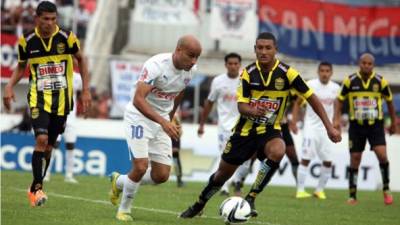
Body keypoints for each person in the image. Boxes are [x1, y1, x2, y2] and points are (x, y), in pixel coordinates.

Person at [180, 32, 341, 219]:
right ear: (255, 49)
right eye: (260, 48)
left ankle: (250, 198)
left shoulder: (288, 73)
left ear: (275, 49)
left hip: (270, 130)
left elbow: (311, 97)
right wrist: (252, 110)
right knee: (222, 175)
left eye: (268, 48)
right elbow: (241, 106)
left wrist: (329, 127)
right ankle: (200, 203)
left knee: (279, 150)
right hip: (244, 132)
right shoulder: (248, 73)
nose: (263, 51)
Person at [2, 1, 91, 207]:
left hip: (62, 102)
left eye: (53, 19)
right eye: (46, 19)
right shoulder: (27, 41)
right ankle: (36, 188)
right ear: (37, 19)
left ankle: (36, 185)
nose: (50, 23)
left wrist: (85, 90)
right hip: (38, 99)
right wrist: (9, 87)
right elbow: (21, 66)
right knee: (41, 139)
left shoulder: (66, 38)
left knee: (49, 146)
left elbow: (82, 59)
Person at [108, 35, 202, 221]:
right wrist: (163, 121)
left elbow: (180, 91)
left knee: (161, 175)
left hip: (162, 120)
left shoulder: (190, 70)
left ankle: (118, 181)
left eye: (197, 57)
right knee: (141, 166)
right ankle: (124, 209)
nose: (193, 61)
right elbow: (138, 100)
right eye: (191, 56)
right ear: (179, 50)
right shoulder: (156, 65)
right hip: (139, 117)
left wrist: (172, 117)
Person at [334, 53, 396, 205]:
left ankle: (386, 190)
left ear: (373, 65)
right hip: (356, 126)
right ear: (359, 63)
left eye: (369, 64)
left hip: (376, 125)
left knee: (382, 155)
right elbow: (339, 100)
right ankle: (352, 195)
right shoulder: (350, 81)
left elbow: (389, 102)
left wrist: (394, 122)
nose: (366, 66)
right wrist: (336, 119)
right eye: (364, 63)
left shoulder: (381, 82)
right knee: (355, 159)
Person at [198, 52, 250, 196]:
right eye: (230, 64)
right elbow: (209, 103)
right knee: (224, 157)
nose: (233, 66)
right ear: (226, 65)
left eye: (236, 64)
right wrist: (202, 124)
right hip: (224, 127)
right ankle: (225, 187)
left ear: (240, 65)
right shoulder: (218, 81)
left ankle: (238, 181)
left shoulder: (246, 80)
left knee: (245, 158)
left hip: (243, 126)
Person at [290, 61, 340, 199]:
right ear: (318, 72)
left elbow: (337, 105)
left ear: (331, 73)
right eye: (322, 71)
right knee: (306, 158)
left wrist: (336, 120)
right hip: (310, 128)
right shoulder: (310, 85)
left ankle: (319, 190)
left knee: (328, 161)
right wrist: (294, 122)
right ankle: (300, 190)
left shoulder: (336, 88)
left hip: (327, 130)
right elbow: (297, 103)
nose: (324, 73)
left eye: (327, 71)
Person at [44, 69, 83, 183]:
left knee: (70, 146)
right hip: (57, 115)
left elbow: (81, 93)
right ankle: (46, 173)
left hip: (71, 117)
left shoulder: (77, 77)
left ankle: (69, 175)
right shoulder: (55, 75)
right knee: (53, 144)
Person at [172, 112, 184, 187]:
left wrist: (178, 134)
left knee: (175, 157)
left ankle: (179, 179)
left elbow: (179, 126)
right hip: (164, 134)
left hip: (174, 134)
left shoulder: (175, 114)